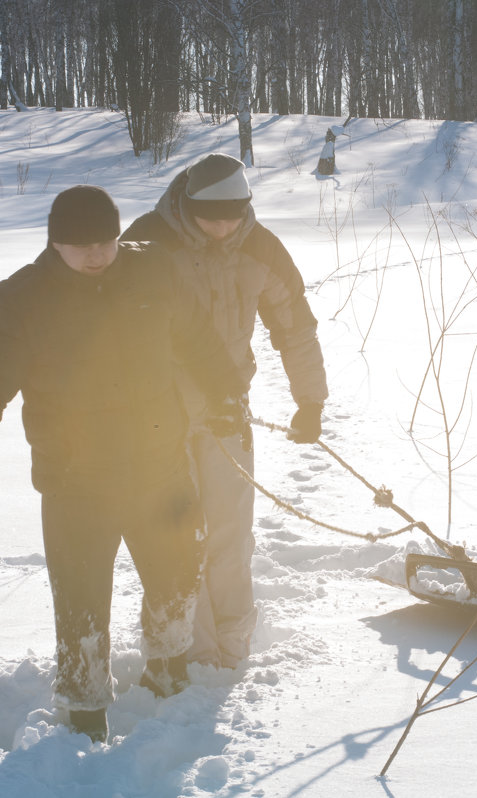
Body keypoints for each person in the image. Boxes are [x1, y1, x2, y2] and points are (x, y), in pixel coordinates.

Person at [0, 185, 245, 742]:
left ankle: (168, 668)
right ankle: (84, 712)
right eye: (81, 246)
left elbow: (200, 340)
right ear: (54, 242)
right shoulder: (22, 300)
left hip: (160, 467)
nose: (97, 254)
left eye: (106, 241)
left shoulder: (154, 273)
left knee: (177, 576)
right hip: (76, 480)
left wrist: (227, 395)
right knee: (80, 601)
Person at [121, 153, 328, 669]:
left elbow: (295, 326)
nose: (223, 227)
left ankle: (232, 645)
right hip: (157, 416)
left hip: (227, 409)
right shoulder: (148, 241)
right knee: (174, 534)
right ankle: (185, 650)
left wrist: (311, 402)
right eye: (211, 217)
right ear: (188, 207)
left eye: (233, 216)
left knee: (230, 529)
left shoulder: (260, 247)